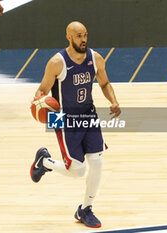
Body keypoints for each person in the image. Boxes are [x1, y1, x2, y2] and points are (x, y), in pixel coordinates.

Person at [30, 21, 121, 228]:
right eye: (79, 36)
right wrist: (38, 102)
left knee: (97, 162)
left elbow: (105, 83)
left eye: (85, 35)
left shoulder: (95, 58)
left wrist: (113, 101)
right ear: (69, 37)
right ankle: (44, 161)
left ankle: (85, 209)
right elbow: (42, 90)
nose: (84, 40)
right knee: (78, 171)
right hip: (64, 119)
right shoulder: (56, 62)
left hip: (88, 115)